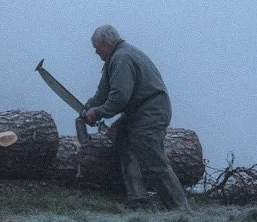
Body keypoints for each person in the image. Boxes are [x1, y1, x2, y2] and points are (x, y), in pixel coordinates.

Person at [81, 24, 190, 211]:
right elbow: (103, 93)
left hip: (151, 113)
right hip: (138, 112)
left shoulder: (122, 59)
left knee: (153, 160)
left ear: (107, 44)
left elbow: (119, 98)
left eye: (97, 47)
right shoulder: (114, 59)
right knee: (121, 139)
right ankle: (138, 198)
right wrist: (88, 107)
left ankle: (180, 209)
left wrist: (97, 113)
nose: (96, 52)